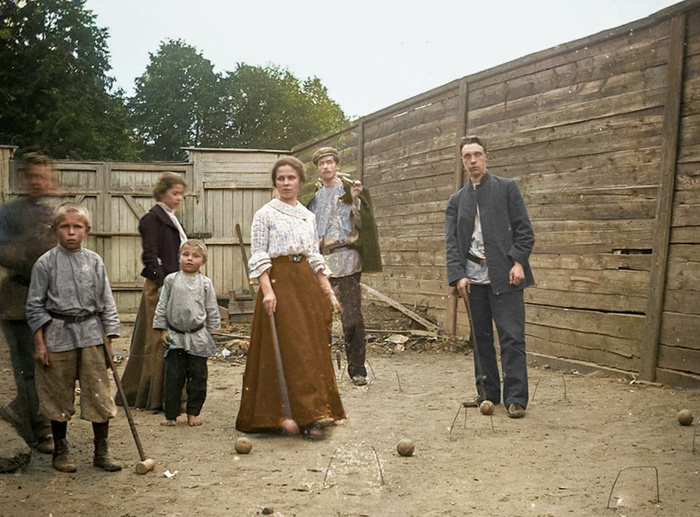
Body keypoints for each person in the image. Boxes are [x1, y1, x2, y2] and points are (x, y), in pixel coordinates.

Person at [236, 156, 346, 436]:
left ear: (301, 182)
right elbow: (259, 253)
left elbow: (314, 255)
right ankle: (292, 416)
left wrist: (328, 291)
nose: (286, 183)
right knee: (292, 347)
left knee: (311, 346)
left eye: (291, 178)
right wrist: (267, 290)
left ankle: (316, 413)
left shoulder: (308, 216)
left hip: (305, 284)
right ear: (275, 182)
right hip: (279, 282)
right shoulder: (265, 214)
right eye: (281, 178)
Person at [26, 203, 122, 472]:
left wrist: (109, 341)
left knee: (99, 393)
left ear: (86, 231)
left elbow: (107, 302)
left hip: (92, 334)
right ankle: (61, 450)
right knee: (57, 394)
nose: (71, 232)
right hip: (57, 334)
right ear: (55, 230)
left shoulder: (94, 261)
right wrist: (40, 342)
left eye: (77, 227)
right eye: (65, 227)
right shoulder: (45, 263)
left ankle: (101, 452)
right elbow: (34, 305)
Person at [445, 136, 535, 419]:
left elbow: (524, 230)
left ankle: (516, 398)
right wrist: (458, 275)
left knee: (512, 336)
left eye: (477, 154)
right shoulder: (456, 201)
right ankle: (487, 393)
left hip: (505, 276)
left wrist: (518, 262)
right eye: (467, 156)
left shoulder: (507, 188)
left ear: (486, 157)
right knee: (481, 338)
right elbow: (451, 243)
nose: (472, 160)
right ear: (462, 162)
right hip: (473, 280)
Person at [300, 147, 381, 386]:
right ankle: (320, 370)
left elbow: (363, 224)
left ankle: (357, 369)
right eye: (321, 163)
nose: (326, 167)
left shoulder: (350, 190)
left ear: (337, 165)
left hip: (347, 260)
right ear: (317, 168)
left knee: (351, 317)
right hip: (320, 263)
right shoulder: (312, 195)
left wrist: (355, 199)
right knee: (319, 318)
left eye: (329, 162)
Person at [0, 152, 56, 454]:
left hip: (48, 300)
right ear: (22, 178)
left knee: (50, 364)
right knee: (28, 368)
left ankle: (18, 410)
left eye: (42, 176)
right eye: (32, 176)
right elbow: (4, 253)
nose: (37, 181)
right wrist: (34, 249)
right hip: (17, 300)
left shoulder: (50, 214)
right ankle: (41, 430)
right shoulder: (8, 213)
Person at [120, 172, 187, 411]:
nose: (179, 198)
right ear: (161, 193)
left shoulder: (171, 218)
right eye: (175, 193)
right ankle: (153, 395)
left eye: (181, 194)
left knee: (172, 338)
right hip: (160, 287)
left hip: (174, 284)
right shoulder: (152, 219)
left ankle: (170, 394)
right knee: (157, 339)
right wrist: (163, 284)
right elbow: (150, 257)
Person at [153, 240, 220, 427]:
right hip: (175, 337)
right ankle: (171, 415)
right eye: (185, 255)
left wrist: (212, 332)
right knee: (174, 378)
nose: (189, 259)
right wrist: (161, 329)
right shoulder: (171, 280)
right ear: (179, 257)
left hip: (198, 337)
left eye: (195, 256)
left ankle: (193, 413)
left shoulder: (205, 283)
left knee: (198, 377)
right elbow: (162, 305)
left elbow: (212, 309)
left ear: (203, 261)